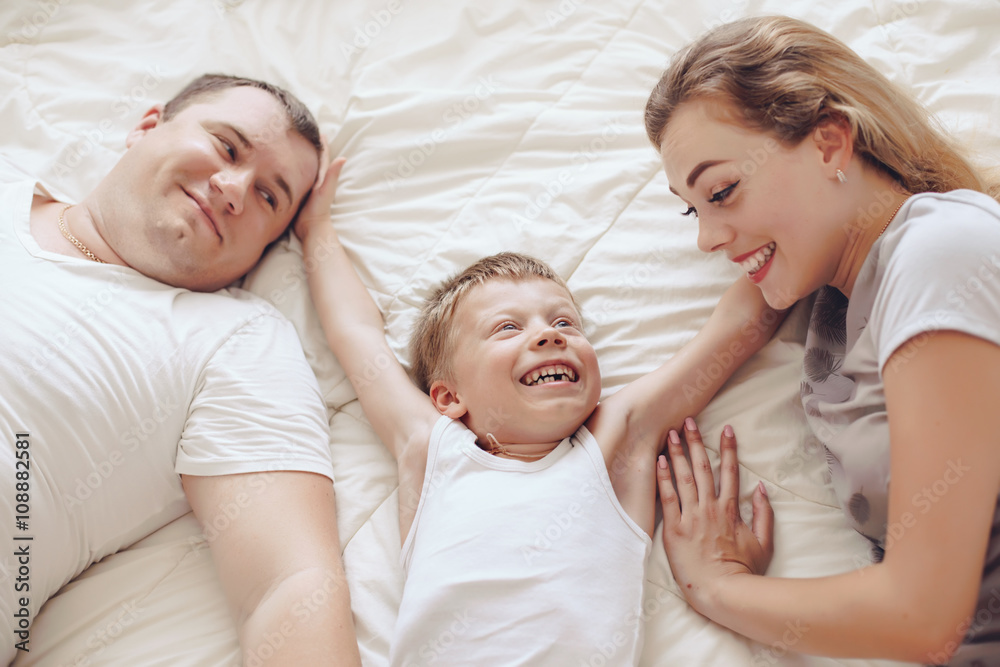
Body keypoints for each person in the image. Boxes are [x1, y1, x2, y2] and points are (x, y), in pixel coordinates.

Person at [294, 152, 780, 665]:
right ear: (448, 397)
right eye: (508, 327)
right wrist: (316, 227)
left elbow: (737, 327)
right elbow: (355, 335)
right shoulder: (434, 449)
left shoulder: (612, 444)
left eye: (566, 324)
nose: (549, 334)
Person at [643, 15, 1000, 666]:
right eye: (694, 209)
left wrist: (718, 587)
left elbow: (923, 616)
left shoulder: (938, 253)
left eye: (723, 190)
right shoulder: (835, 307)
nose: (706, 238)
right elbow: (637, 423)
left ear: (831, 142)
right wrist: (747, 313)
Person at [1, 74, 361, 665]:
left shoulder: (234, 340)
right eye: (227, 146)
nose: (235, 189)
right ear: (146, 127)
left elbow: (289, 586)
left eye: (270, 197)